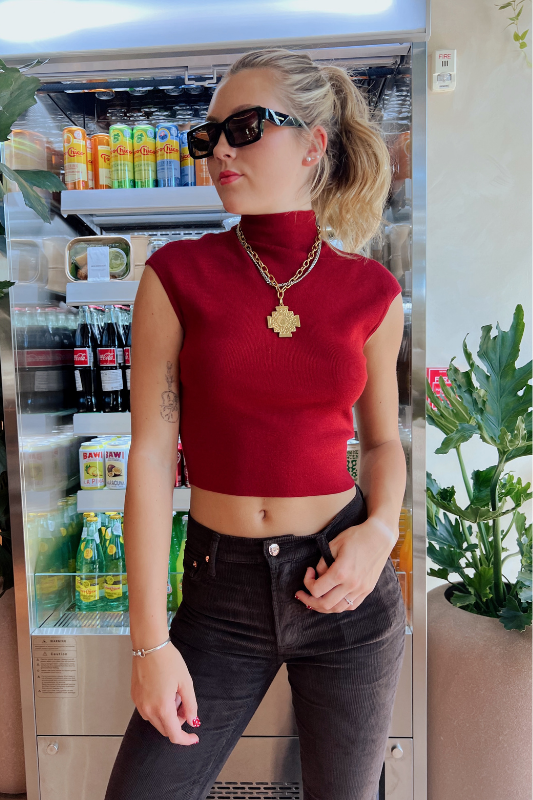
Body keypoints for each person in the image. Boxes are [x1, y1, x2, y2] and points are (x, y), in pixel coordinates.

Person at [104, 47, 407, 800]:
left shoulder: (372, 292)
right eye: (207, 136)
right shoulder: (177, 276)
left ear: (313, 144)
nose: (220, 151)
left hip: (344, 582)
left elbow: (381, 441)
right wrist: (148, 643)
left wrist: (379, 532)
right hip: (220, 590)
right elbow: (151, 456)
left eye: (244, 128)